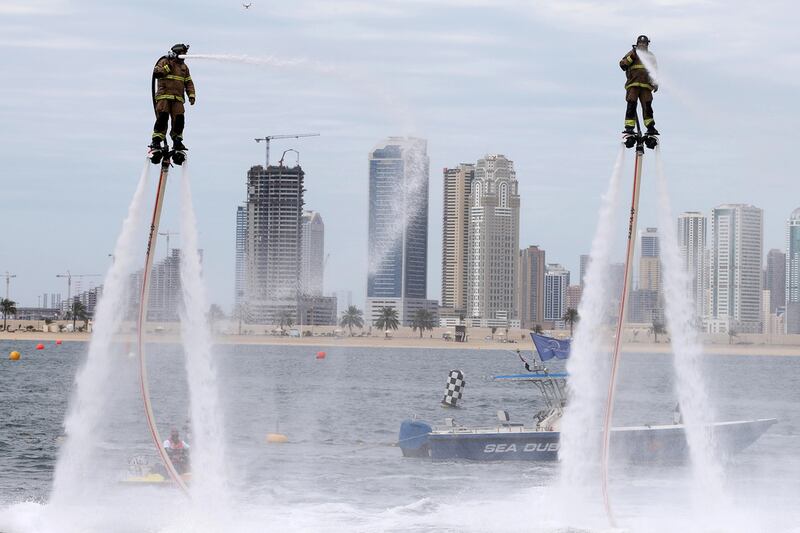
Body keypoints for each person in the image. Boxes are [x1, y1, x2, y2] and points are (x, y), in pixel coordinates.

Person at [149, 43, 196, 153]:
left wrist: (192, 95)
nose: (185, 55)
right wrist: (167, 67)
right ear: (177, 53)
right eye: (184, 53)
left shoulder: (184, 68)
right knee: (162, 119)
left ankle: (177, 141)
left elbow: (189, 82)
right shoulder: (165, 61)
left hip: (178, 99)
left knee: (179, 120)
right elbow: (156, 73)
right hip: (164, 97)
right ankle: (156, 141)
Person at [619, 35, 659, 136]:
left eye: (644, 43)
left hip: (646, 86)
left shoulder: (650, 56)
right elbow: (622, 64)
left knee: (647, 106)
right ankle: (629, 127)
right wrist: (632, 57)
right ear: (637, 44)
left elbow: (654, 71)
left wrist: (655, 82)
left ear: (647, 45)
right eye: (640, 43)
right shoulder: (632, 53)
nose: (642, 45)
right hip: (633, 84)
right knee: (631, 104)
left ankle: (650, 127)